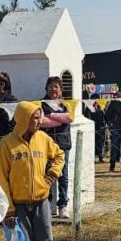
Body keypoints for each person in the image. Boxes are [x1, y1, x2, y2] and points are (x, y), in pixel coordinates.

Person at [0, 101, 64, 241]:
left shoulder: (44, 139)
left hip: (41, 204)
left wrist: (51, 176)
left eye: (40, 116)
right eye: (35, 118)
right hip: (17, 208)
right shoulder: (7, 145)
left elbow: (59, 156)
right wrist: (8, 210)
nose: (40, 121)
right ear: (23, 120)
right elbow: (1, 179)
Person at [40, 76, 73, 218]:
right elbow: (42, 121)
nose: (53, 89)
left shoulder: (67, 104)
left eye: (56, 86)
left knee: (63, 175)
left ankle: (63, 205)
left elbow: (70, 118)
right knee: (47, 174)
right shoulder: (41, 104)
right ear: (46, 88)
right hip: (46, 144)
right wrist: (60, 118)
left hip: (63, 143)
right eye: (51, 86)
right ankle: (48, 205)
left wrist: (52, 115)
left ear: (61, 89)